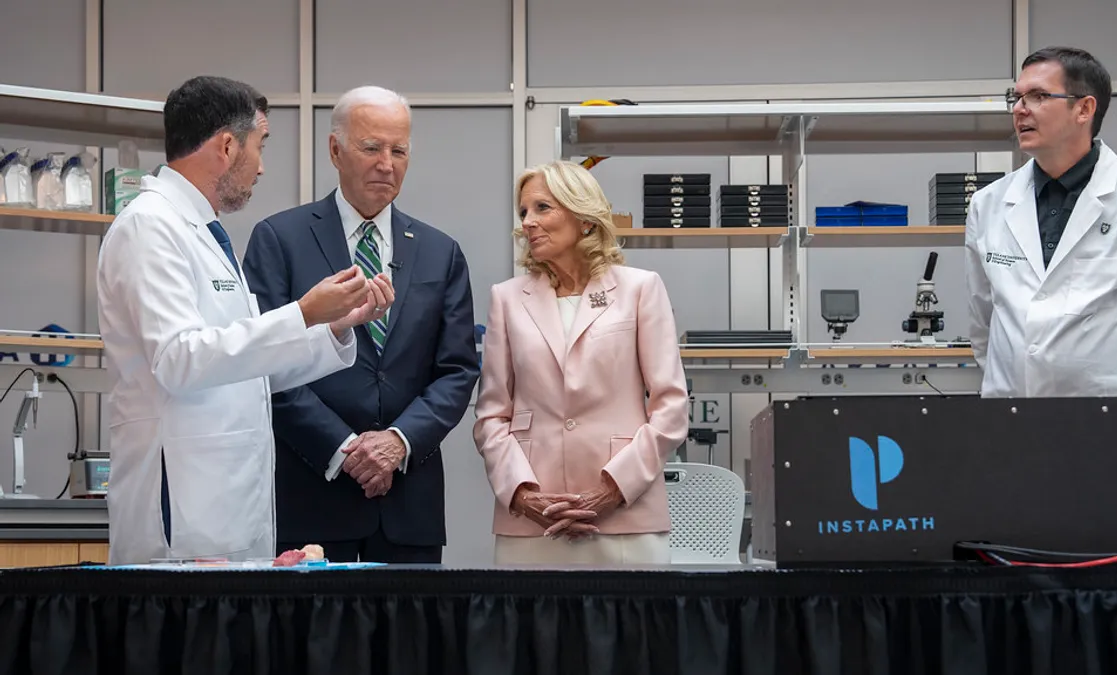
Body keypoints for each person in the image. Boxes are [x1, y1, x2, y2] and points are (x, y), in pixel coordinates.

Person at [96, 75, 395, 566]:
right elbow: (180, 359)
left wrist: (336, 326)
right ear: (227, 145)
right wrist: (301, 312)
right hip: (183, 511)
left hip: (229, 502)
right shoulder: (149, 226)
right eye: (260, 146)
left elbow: (251, 365)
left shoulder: (207, 233)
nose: (260, 166)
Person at [965, 47, 1117, 544]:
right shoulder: (988, 205)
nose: (1019, 109)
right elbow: (983, 323)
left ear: (1084, 109)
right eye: (1016, 96)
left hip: (1114, 428)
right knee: (1020, 568)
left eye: (1037, 96)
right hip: (1015, 424)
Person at [242, 86, 479, 564]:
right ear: (336, 150)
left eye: (399, 150)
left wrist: (398, 441)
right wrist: (344, 448)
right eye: (371, 148)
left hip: (408, 505)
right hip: (311, 495)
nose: (386, 164)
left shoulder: (440, 251)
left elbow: (457, 370)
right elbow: (265, 364)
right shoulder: (280, 240)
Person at [473, 161, 689, 566]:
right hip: (533, 522)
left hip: (626, 515)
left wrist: (613, 489)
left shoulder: (640, 289)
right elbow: (491, 416)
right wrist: (522, 496)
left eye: (542, 208)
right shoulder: (506, 298)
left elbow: (671, 407)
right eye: (523, 212)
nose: (527, 223)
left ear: (584, 218)